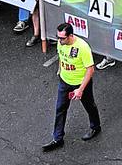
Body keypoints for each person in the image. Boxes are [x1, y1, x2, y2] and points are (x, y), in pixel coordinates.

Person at [42, 22, 100, 150]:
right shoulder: (60, 43)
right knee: (60, 109)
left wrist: (80, 89)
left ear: (71, 36)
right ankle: (57, 138)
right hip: (65, 81)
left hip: (80, 83)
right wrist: (59, 70)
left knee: (89, 106)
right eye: (58, 37)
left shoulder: (82, 47)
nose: (59, 40)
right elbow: (61, 58)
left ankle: (95, 127)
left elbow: (90, 69)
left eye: (62, 38)